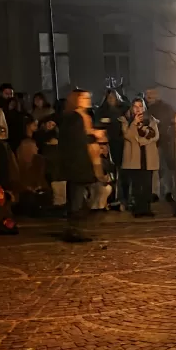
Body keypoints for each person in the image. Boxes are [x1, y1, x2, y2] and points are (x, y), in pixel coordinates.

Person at [58, 89, 107, 242]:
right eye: (84, 97)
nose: (87, 100)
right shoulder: (73, 118)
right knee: (78, 196)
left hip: (85, 162)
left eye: (88, 97)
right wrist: (94, 136)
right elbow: (76, 140)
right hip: (78, 163)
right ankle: (74, 230)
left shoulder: (84, 117)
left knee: (89, 193)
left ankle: (77, 228)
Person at [120, 97, 160, 217]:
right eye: (135, 106)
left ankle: (146, 208)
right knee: (137, 184)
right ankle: (137, 208)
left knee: (147, 183)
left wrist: (142, 141)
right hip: (134, 156)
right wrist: (134, 123)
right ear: (132, 108)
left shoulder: (151, 120)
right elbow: (128, 135)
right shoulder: (126, 120)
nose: (138, 109)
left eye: (140, 106)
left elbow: (155, 136)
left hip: (148, 155)